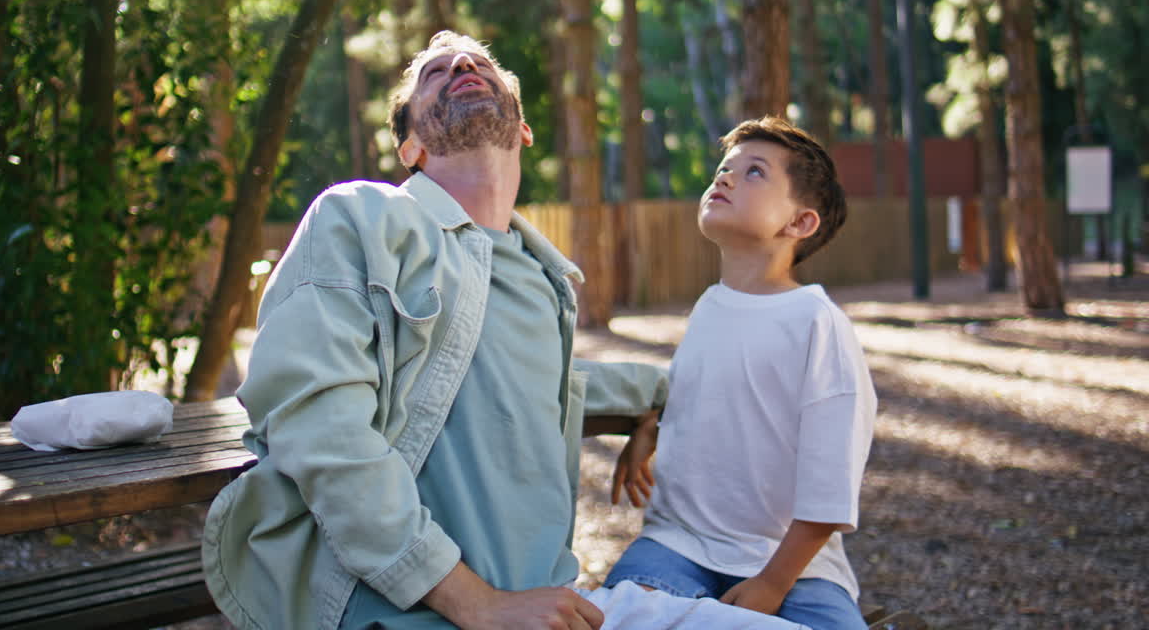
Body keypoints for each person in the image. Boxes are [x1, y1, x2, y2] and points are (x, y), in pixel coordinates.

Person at [201, 31, 806, 630]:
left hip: (554, 603)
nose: (462, 62)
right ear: (410, 146)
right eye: (435, 74)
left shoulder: (544, 276)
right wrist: (474, 602)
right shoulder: (359, 218)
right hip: (400, 609)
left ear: (522, 130)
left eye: (481, 64)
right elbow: (317, 425)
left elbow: (548, 383)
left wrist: (662, 398)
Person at [603, 117, 877, 630]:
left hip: (794, 565)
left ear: (800, 223)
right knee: (614, 618)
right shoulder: (709, 306)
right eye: (724, 168)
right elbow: (703, 391)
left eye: (754, 173)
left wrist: (773, 584)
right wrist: (650, 428)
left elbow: (831, 481)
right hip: (677, 544)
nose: (724, 178)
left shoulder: (818, 324)